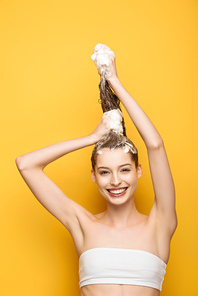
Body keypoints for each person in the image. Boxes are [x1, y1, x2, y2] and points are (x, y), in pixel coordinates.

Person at [16, 52, 177, 296]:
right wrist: (91, 138)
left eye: (124, 170)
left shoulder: (160, 224)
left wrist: (114, 81)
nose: (115, 181)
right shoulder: (81, 223)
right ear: (93, 176)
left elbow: (155, 145)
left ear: (138, 171)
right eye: (104, 172)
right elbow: (26, 164)